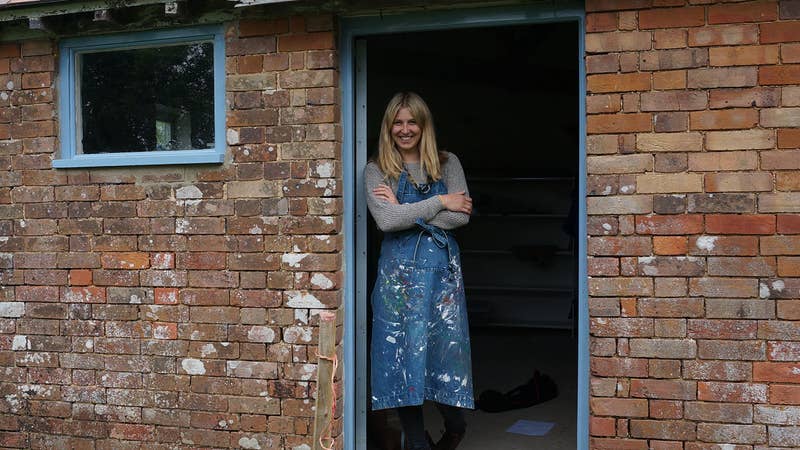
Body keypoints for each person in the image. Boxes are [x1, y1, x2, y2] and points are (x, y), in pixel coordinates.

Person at [365, 92, 474, 450]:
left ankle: (455, 427)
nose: (405, 129)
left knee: (444, 355)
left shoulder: (448, 163)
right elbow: (386, 221)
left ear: (424, 126)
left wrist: (406, 211)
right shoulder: (376, 169)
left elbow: (461, 217)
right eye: (397, 122)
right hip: (397, 283)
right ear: (388, 127)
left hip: (440, 278)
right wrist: (440, 201)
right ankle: (417, 444)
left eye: (412, 121)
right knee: (401, 360)